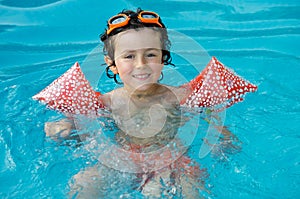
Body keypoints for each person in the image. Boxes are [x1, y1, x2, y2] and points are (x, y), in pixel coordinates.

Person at [43, 8, 248, 198]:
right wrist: (63, 128)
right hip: (122, 161)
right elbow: (79, 128)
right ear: (111, 64)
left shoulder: (181, 97)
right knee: (84, 181)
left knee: (193, 183)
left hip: (173, 161)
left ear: (163, 58)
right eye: (129, 56)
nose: (141, 65)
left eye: (150, 54)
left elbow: (213, 114)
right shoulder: (107, 103)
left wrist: (223, 138)